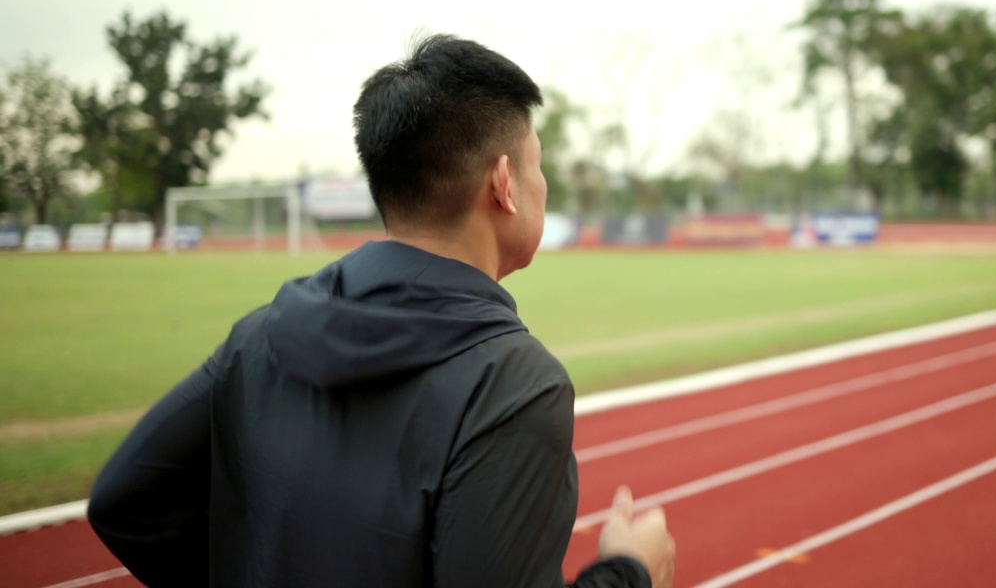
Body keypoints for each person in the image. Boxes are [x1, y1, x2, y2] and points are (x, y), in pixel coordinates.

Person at [87, 34, 676, 588]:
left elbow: (125, 504)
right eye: (537, 163)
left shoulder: (258, 336)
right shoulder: (514, 384)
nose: (542, 183)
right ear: (504, 183)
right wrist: (629, 569)